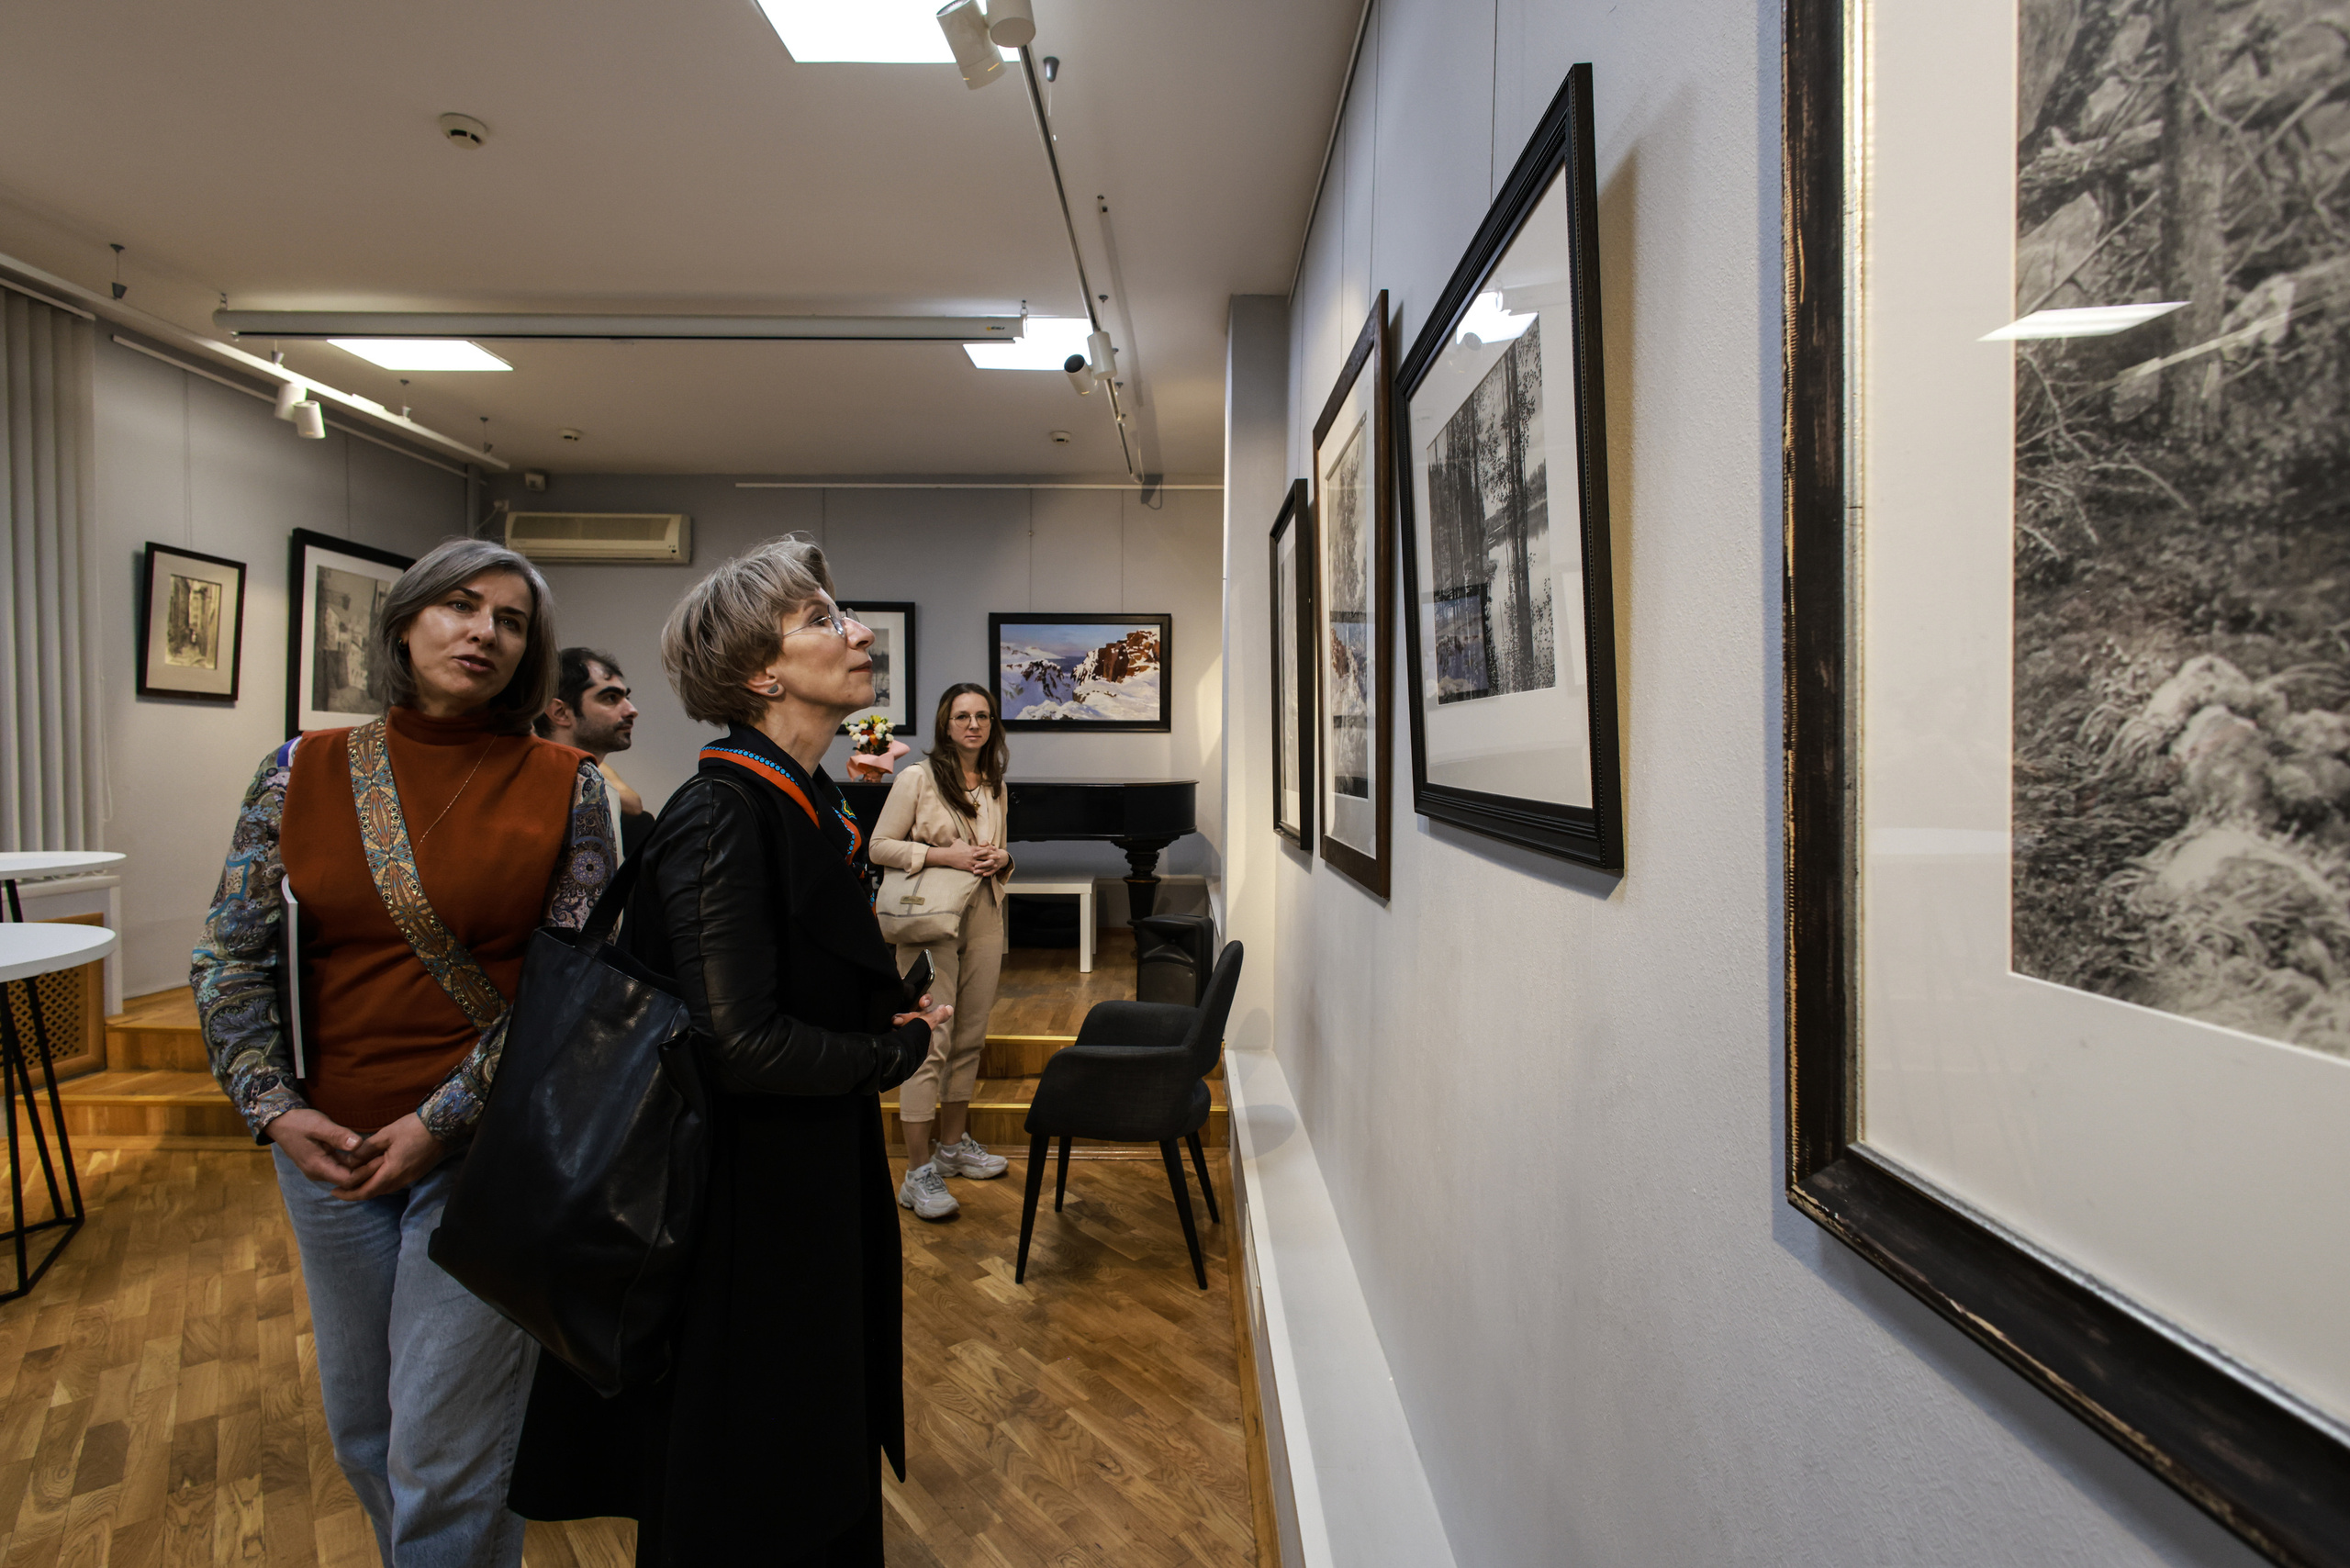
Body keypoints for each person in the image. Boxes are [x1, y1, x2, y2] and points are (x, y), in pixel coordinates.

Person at [508, 536, 947, 1568]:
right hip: (742, 1212)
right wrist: (887, 1055)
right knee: (751, 1479)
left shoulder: (792, 798)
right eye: (826, 621)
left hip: (798, 1186)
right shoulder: (719, 812)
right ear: (761, 671)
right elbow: (741, 1042)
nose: (860, 632)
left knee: (803, 1457)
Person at [191, 537, 614, 1568]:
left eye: (511, 622)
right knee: (369, 1432)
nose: (484, 633)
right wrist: (275, 1107)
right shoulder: (300, 768)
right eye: (461, 607)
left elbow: (575, 995)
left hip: (484, 1157)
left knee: (448, 1449)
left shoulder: (570, 787)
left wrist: (437, 1124)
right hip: (329, 1152)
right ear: (404, 623)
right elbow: (228, 952)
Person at [868, 682, 1014, 1222]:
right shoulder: (917, 777)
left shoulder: (995, 783)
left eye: (982, 716)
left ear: (992, 725)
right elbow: (878, 846)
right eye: (962, 717)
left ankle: (953, 1147)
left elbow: (998, 847)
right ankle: (917, 1171)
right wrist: (944, 855)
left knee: (970, 1035)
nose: (973, 725)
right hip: (929, 918)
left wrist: (999, 858)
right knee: (930, 1037)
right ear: (945, 725)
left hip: (984, 915)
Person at [537, 644, 654, 854]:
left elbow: (633, 804)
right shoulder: (528, 793)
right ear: (561, 712)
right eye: (611, 698)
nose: (632, 710)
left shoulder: (601, 788)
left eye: (626, 697)